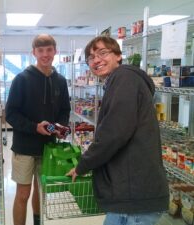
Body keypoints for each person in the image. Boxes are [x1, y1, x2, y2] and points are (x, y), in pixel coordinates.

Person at [67, 36, 169, 225]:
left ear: (119, 56)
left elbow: (113, 133)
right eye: (91, 57)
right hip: (131, 192)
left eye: (103, 53)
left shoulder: (125, 78)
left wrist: (84, 164)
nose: (96, 60)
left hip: (135, 195)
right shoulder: (120, 81)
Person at [5, 34, 71, 225]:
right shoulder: (21, 79)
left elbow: (65, 109)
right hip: (24, 148)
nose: (45, 54)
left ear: (55, 51)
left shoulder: (61, 81)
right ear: (33, 52)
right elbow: (11, 114)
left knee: (41, 191)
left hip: (48, 148)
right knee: (23, 194)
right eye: (40, 50)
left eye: (49, 50)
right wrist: (35, 127)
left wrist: (60, 125)